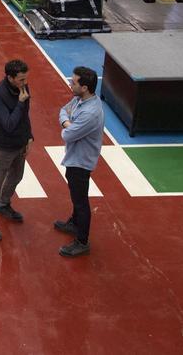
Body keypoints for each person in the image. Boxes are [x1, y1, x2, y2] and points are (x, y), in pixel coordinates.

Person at [54, 66, 105, 257]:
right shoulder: (79, 100)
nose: (70, 84)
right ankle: (74, 223)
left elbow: (68, 134)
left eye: (74, 82)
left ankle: (82, 241)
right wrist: (67, 121)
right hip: (74, 157)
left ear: (84, 87)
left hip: (81, 162)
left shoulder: (90, 113)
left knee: (80, 201)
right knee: (76, 196)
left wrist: (66, 124)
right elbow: (63, 110)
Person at [0, 59, 33, 241]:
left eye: (25, 79)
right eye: (20, 80)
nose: (24, 83)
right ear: (10, 77)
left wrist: (29, 137)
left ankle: (3, 204)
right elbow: (9, 124)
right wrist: (19, 103)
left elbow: (25, 115)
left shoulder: (24, 89)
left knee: (17, 176)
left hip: (20, 144)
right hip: (4, 147)